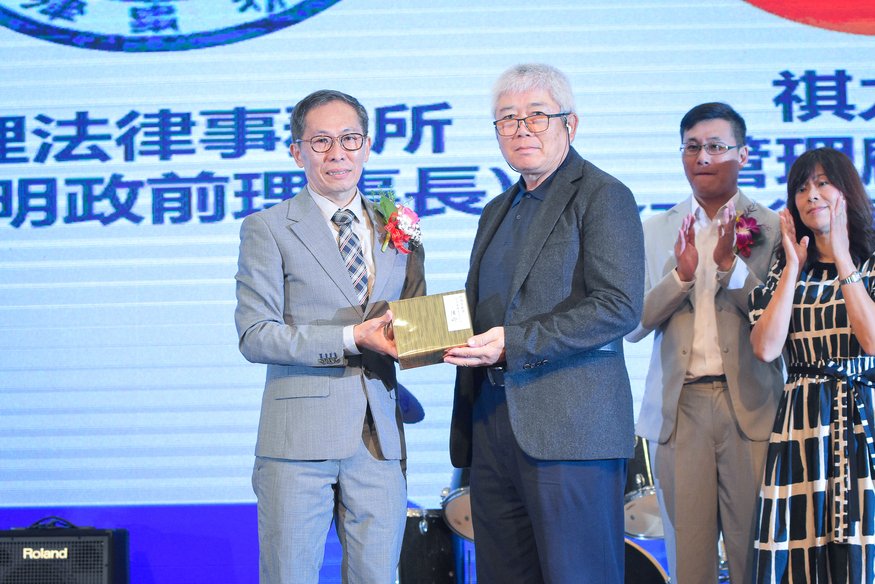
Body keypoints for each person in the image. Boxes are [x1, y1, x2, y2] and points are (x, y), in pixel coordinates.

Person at [443, 63, 644, 583]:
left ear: (569, 124)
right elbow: (484, 311)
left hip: (570, 432)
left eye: (536, 116)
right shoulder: (496, 209)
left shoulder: (602, 195)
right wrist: (418, 331)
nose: (521, 129)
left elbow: (620, 306)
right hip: (491, 425)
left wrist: (514, 343)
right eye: (507, 119)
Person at [234, 89, 426, 583]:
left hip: (379, 439)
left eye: (349, 139)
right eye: (320, 141)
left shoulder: (397, 225)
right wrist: (350, 337)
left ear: (367, 146)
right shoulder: (268, 228)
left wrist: (446, 340)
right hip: (298, 442)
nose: (337, 153)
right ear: (296, 151)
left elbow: (411, 319)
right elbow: (256, 335)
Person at [625, 102, 783, 583]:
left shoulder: (774, 228)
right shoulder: (656, 230)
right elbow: (632, 323)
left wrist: (731, 269)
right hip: (680, 410)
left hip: (751, 407)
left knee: (754, 557)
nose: (703, 157)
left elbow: (780, 324)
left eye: (716, 146)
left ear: (743, 154)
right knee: (690, 562)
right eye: (692, 147)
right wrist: (681, 277)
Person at [749, 147, 875, 583]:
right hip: (802, 421)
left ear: (847, 191)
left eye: (823, 183)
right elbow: (766, 348)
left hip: (862, 419)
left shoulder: (869, 262)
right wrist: (792, 268)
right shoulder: (786, 268)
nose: (812, 195)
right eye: (802, 188)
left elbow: (872, 341)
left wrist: (843, 257)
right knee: (799, 544)